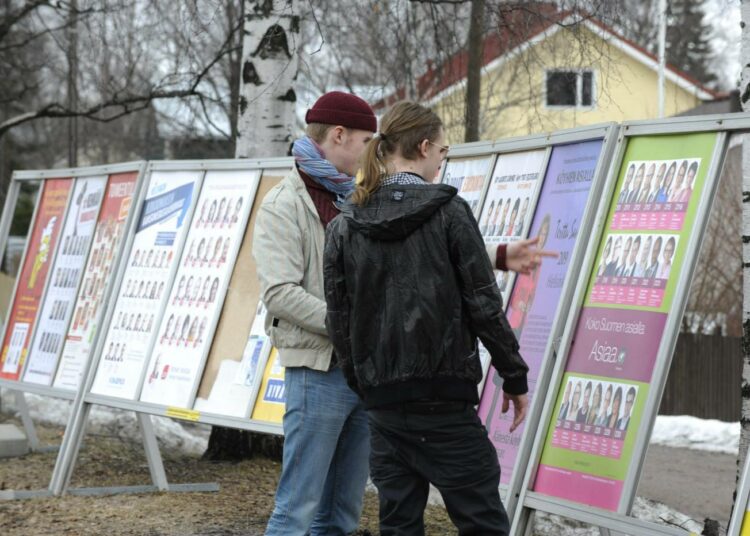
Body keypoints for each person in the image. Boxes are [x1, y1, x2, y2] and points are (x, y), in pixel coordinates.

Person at [324, 101, 529, 535]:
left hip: (383, 401)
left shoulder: (343, 226)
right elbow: (484, 304)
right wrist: (514, 376)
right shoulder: (450, 214)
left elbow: (339, 319)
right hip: (443, 397)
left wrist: (364, 384)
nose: (441, 162)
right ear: (423, 147)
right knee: (483, 521)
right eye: (442, 151)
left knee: (398, 524)